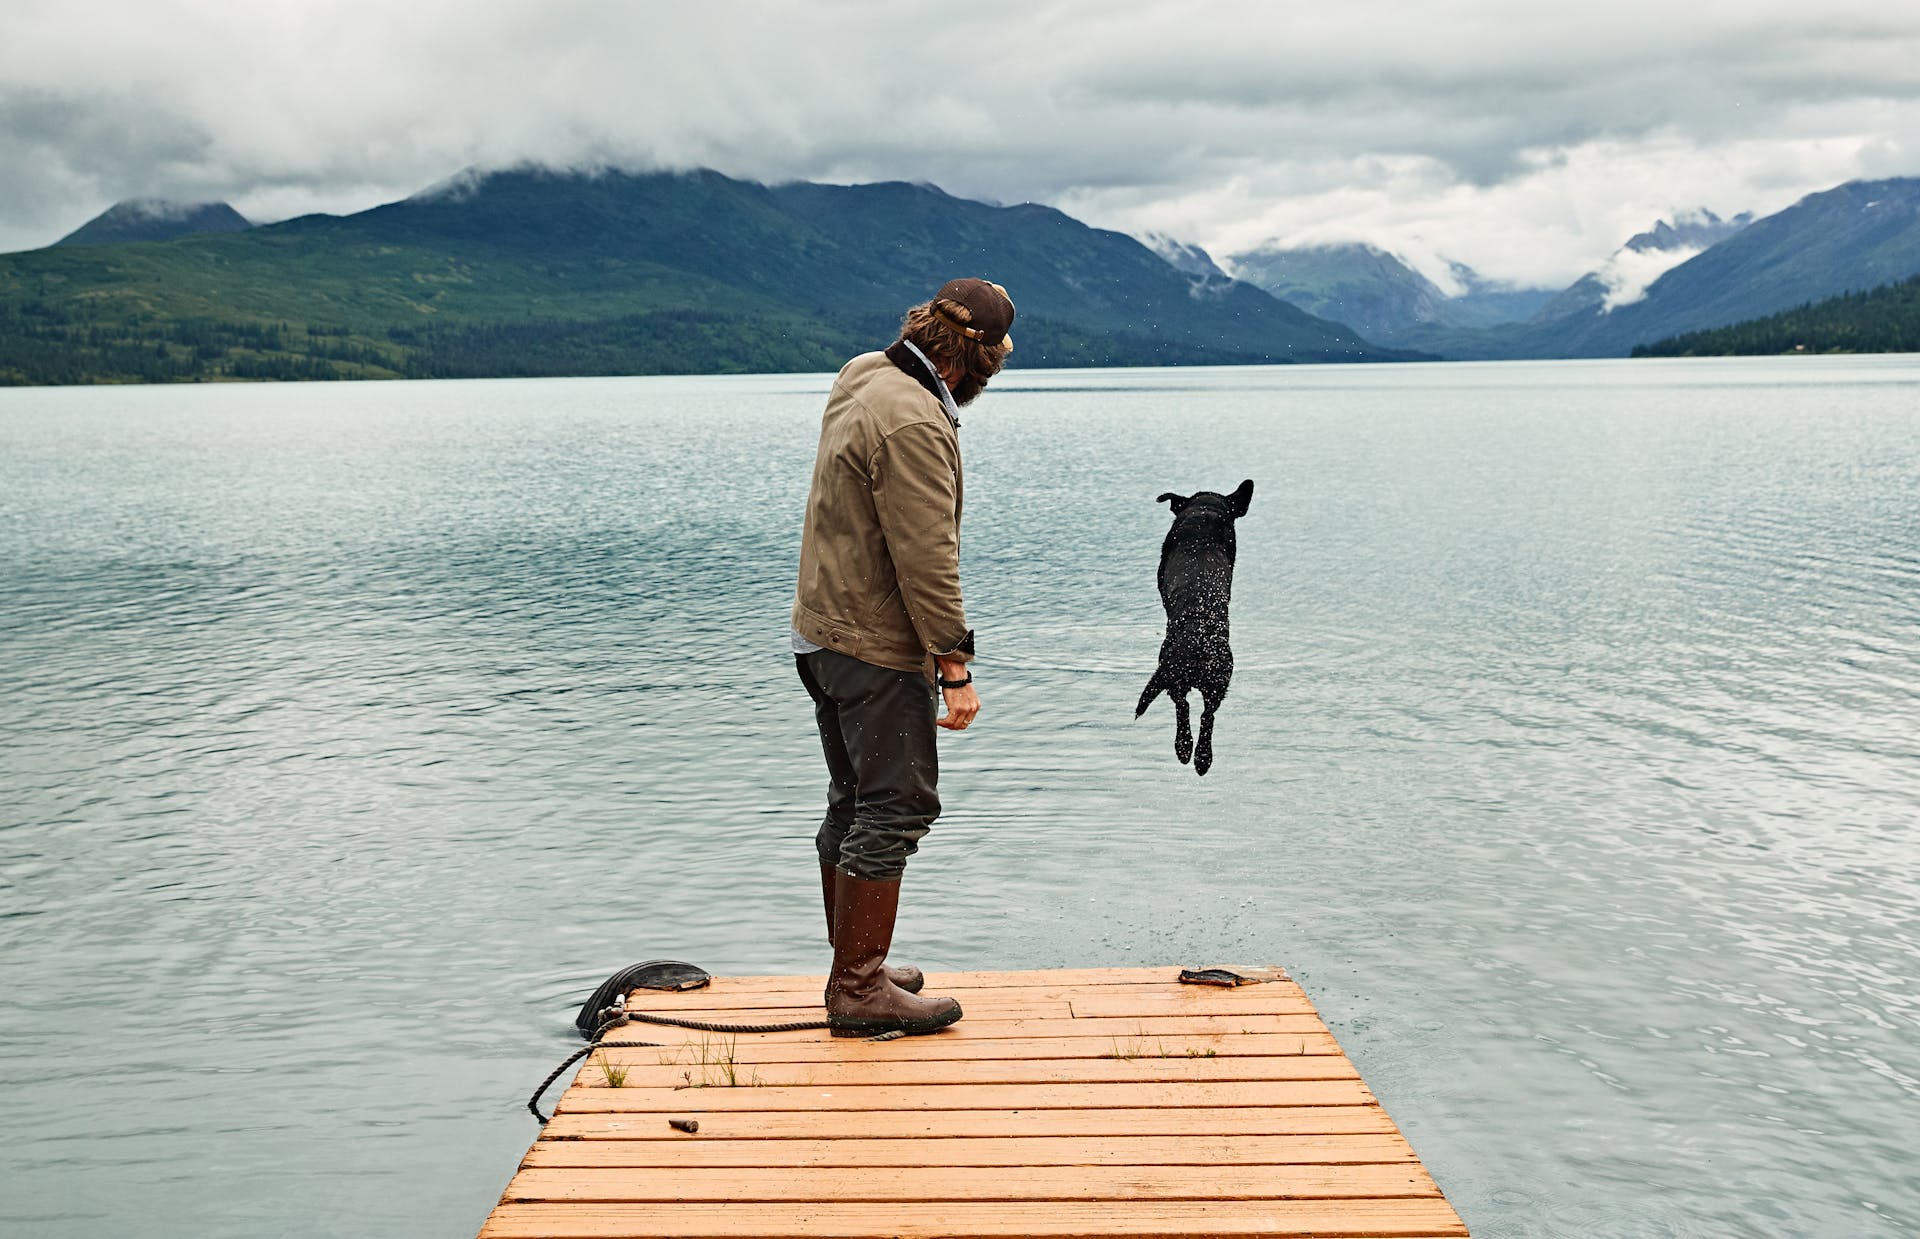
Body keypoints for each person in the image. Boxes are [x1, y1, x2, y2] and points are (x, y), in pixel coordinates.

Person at [790, 277, 1015, 1038]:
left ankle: (856, 964)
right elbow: (927, 558)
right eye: (992, 365)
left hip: (821, 631)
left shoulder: (865, 372)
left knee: (853, 798)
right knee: (897, 804)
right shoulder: (915, 420)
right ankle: (857, 988)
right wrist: (955, 667)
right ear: (966, 363)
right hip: (874, 646)